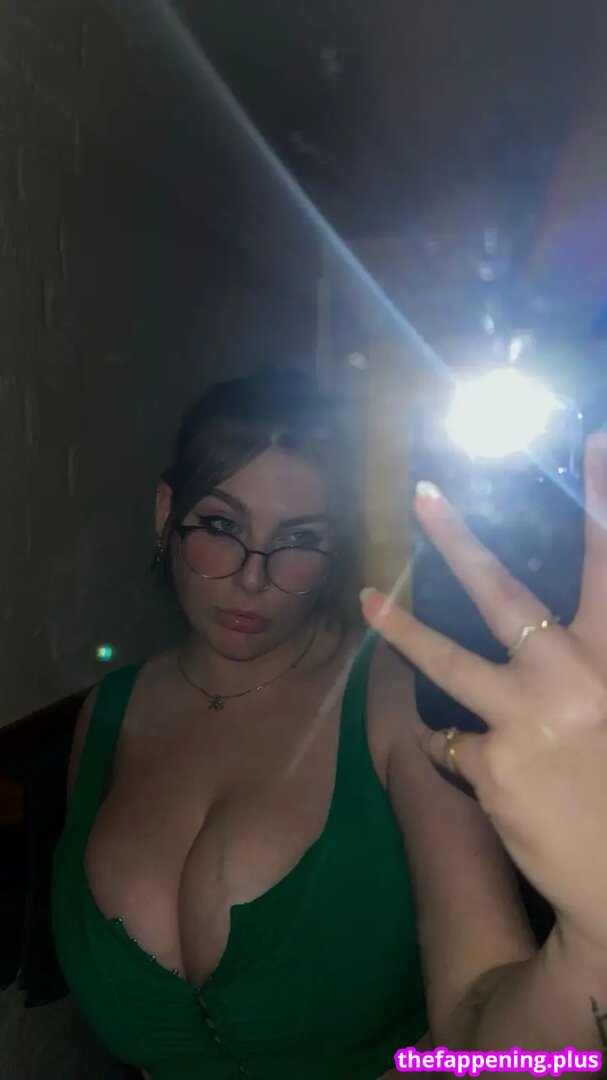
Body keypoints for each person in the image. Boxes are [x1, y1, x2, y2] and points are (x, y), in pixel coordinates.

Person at [51, 369, 607, 1080]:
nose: (253, 578)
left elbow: (483, 1036)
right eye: (221, 526)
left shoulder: (396, 699)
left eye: (299, 538)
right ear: (167, 513)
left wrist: (595, 946)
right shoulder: (108, 710)